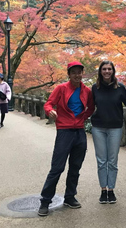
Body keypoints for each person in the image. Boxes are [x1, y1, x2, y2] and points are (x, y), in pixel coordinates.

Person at [38, 61, 94, 217]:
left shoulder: (86, 91)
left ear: (83, 74)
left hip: (80, 131)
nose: (77, 75)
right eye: (74, 72)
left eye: (79, 72)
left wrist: (84, 117)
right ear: (69, 74)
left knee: (75, 167)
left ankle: (70, 197)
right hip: (64, 131)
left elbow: (91, 106)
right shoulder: (61, 89)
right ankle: (45, 201)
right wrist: (50, 111)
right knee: (57, 167)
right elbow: (49, 103)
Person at [91, 60, 126, 204]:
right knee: (102, 160)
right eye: (104, 69)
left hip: (115, 127)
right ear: (100, 71)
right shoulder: (94, 88)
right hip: (98, 127)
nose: (107, 71)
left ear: (113, 71)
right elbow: (89, 106)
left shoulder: (119, 87)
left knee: (112, 160)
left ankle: (111, 190)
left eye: (109, 69)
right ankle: (103, 190)